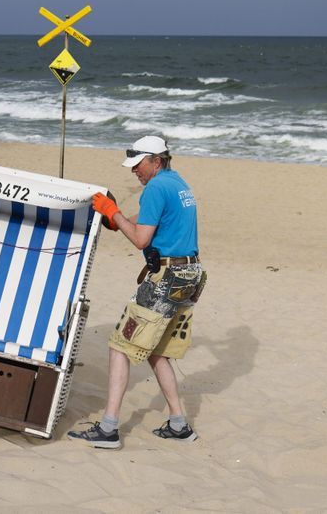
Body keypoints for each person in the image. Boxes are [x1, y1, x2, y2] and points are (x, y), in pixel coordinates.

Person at [68, 135, 206, 449]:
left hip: (167, 277)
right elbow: (150, 222)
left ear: (156, 160)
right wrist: (117, 221)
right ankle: (179, 424)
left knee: (120, 345)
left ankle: (108, 428)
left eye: (139, 164)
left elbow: (142, 240)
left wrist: (112, 212)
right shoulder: (177, 182)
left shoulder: (156, 187)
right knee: (157, 351)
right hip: (191, 274)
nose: (134, 171)